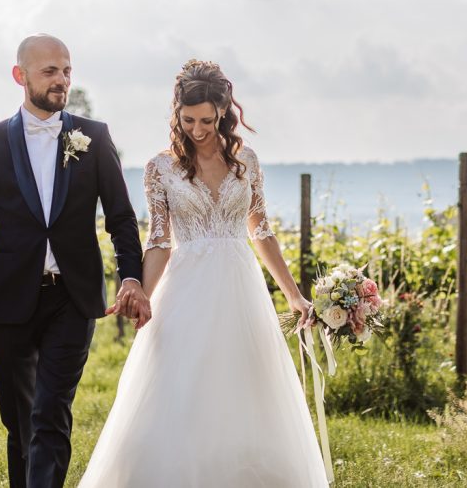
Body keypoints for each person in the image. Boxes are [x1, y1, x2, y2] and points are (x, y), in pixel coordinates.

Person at [79, 60, 328, 487]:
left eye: (207, 120)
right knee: (181, 392)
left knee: (247, 393)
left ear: (224, 113)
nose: (198, 129)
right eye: (189, 120)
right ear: (176, 113)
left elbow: (261, 230)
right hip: (186, 291)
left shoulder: (245, 160)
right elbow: (159, 240)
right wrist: (141, 292)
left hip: (240, 290)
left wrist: (293, 295)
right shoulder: (161, 168)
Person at [0, 34, 151, 488]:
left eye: (66, 71)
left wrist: (131, 277)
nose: (61, 80)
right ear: (20, 76)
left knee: (50, 414)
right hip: (8, 300)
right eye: (50, 71)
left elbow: (121, 217)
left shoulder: (94, 138)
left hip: (73, 298)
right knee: (19, 423)